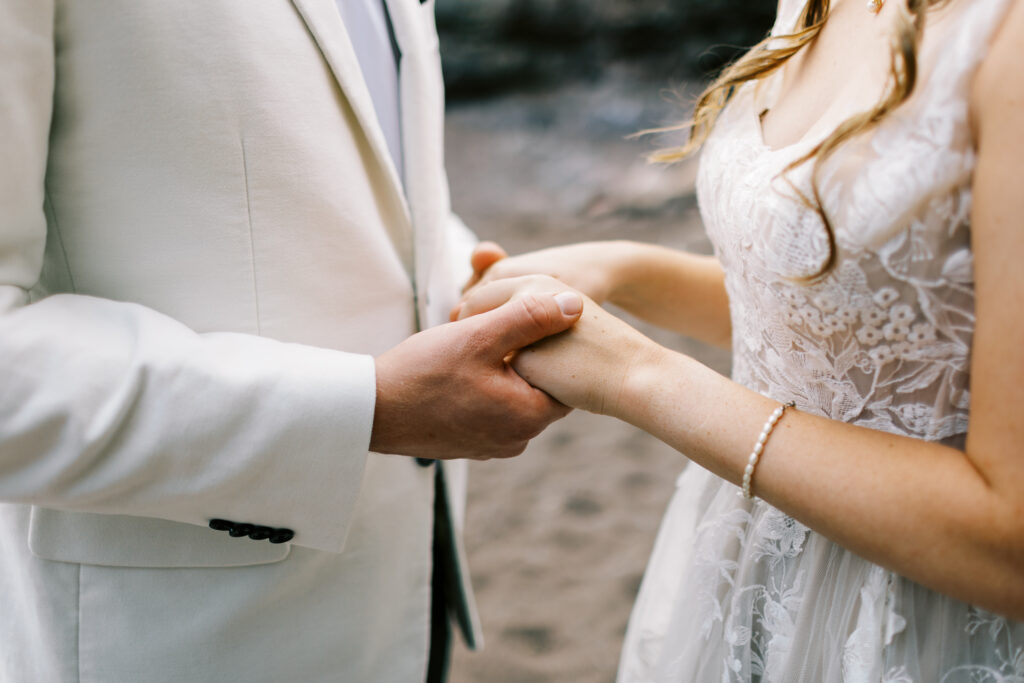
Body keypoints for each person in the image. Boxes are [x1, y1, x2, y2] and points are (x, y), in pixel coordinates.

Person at [0, 1, 584, 681]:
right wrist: (368, 406)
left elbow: (353, 152)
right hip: (179, 634)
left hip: (407, 587)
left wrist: (474, 279)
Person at [458, 0, 1024, 679]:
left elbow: (1009, 540)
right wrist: (627, 270)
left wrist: (638, 376)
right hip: (745, 576)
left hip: (919, 621)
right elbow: (867, 337)